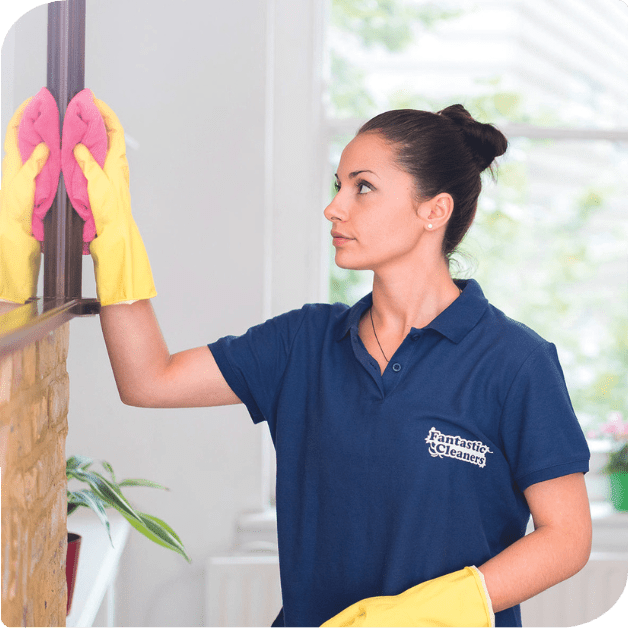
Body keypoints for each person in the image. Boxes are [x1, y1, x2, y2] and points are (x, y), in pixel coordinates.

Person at [1, 95, 592, 627]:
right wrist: (114, 236)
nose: (334, 209)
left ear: (433, 210)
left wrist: (432, 611)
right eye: (336, 186)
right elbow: (148, 380)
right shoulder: (304, 344)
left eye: (362, 187)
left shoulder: (515, 362)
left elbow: (567, 538)